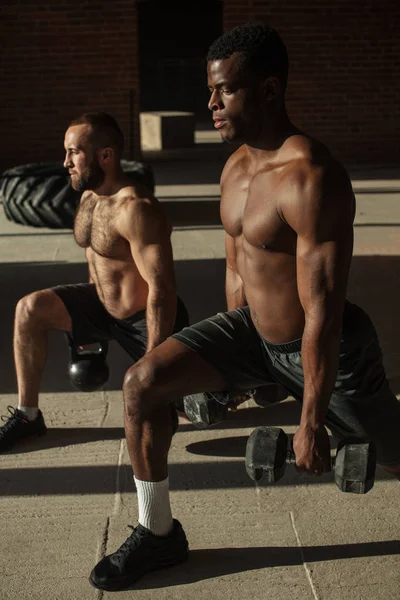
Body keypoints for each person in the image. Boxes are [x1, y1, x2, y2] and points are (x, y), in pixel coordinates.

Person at [89, 24, 400, 592]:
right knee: (141, 383)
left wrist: (308, 419)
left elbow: (323, 311)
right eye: (211, 91)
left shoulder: (312, 177)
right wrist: (230, 372)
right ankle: (158, 534)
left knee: (396, 453)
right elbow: (238, 269)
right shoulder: (235, 167)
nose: (210, 104)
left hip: (326, 345)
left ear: (270, 91)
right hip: (253, 334)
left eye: (225, 91)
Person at [0, 112, 188, 452]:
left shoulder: (136, 208)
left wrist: (153, 367)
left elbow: (163, 289)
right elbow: (98, 263)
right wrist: (83, 333)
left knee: (198, 410)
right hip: (101, 307)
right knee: (29, 309)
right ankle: (28, 416)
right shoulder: (88, 196)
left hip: (143, 318)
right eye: (66, 152)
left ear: (106, 155)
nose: (66, 162)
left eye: (74, 152)